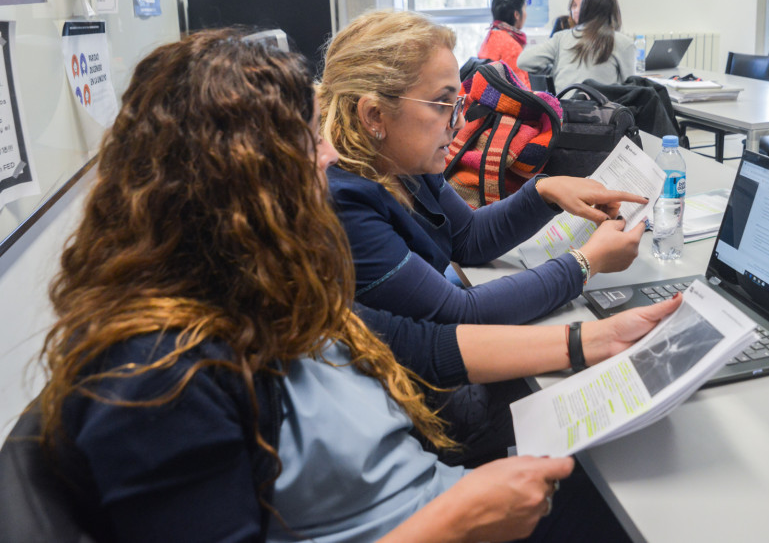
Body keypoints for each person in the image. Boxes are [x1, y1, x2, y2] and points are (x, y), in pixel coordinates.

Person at [36, 29, 683, 542]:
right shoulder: (155, 378)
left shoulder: (256, 289)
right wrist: (455, 522)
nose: (326, 159)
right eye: (307, 144)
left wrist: (593, 340)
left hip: (442, 499)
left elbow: (421, 346)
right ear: (234, 186)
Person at [319, 9, 646, 325]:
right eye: (441, 103)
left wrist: (545, 191)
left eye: (457, 102)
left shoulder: (404, 162)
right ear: (375, 115)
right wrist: (586, 263)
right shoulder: (344, 202)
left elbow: (467, 237)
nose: (460, 121)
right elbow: (459, 313)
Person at [517, 0, 636, 92]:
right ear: (614, 12)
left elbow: (523, 61)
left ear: (584, 9)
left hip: (563, 112)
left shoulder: (561, 38)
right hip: (603, 113)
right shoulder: (623, 43)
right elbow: (631, 89)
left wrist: (556, 69)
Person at [477, 0, 531, 88]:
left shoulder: (491, 36)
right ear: (517, 15)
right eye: (524, 9)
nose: (526, 14)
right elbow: (521, 90)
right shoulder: (511, 46)